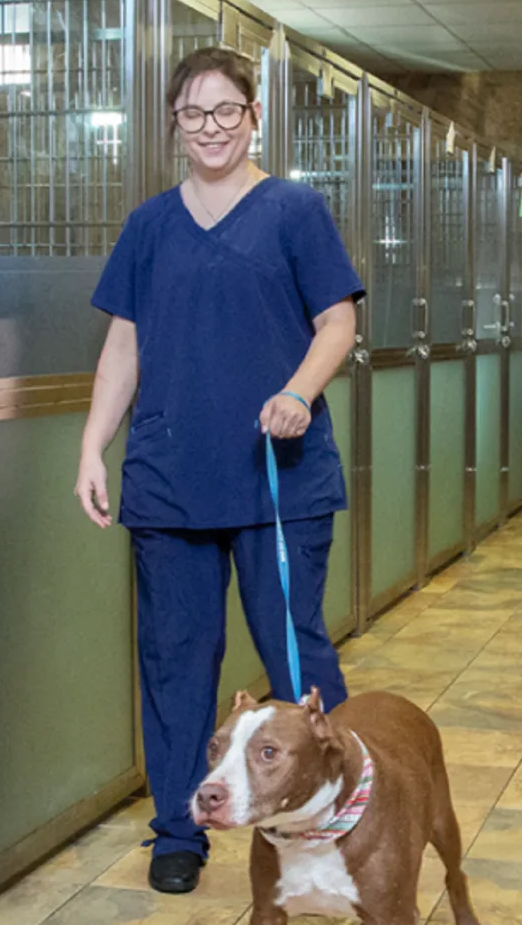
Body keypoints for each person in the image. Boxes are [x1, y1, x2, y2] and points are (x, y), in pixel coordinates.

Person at [73, 46, 359, 896]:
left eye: (227, 111)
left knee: (296, 660)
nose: (211, 128)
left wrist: (299, 393)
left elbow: (336, 324)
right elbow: (123, 344)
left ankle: (333, 815)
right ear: (174, 123)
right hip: (169, 479)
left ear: (254, 115)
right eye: (194, 114)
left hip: (278, 476)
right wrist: (93, 444)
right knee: (174, 663)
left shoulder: (294, 210)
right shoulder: (150, 226)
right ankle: (179, 831)